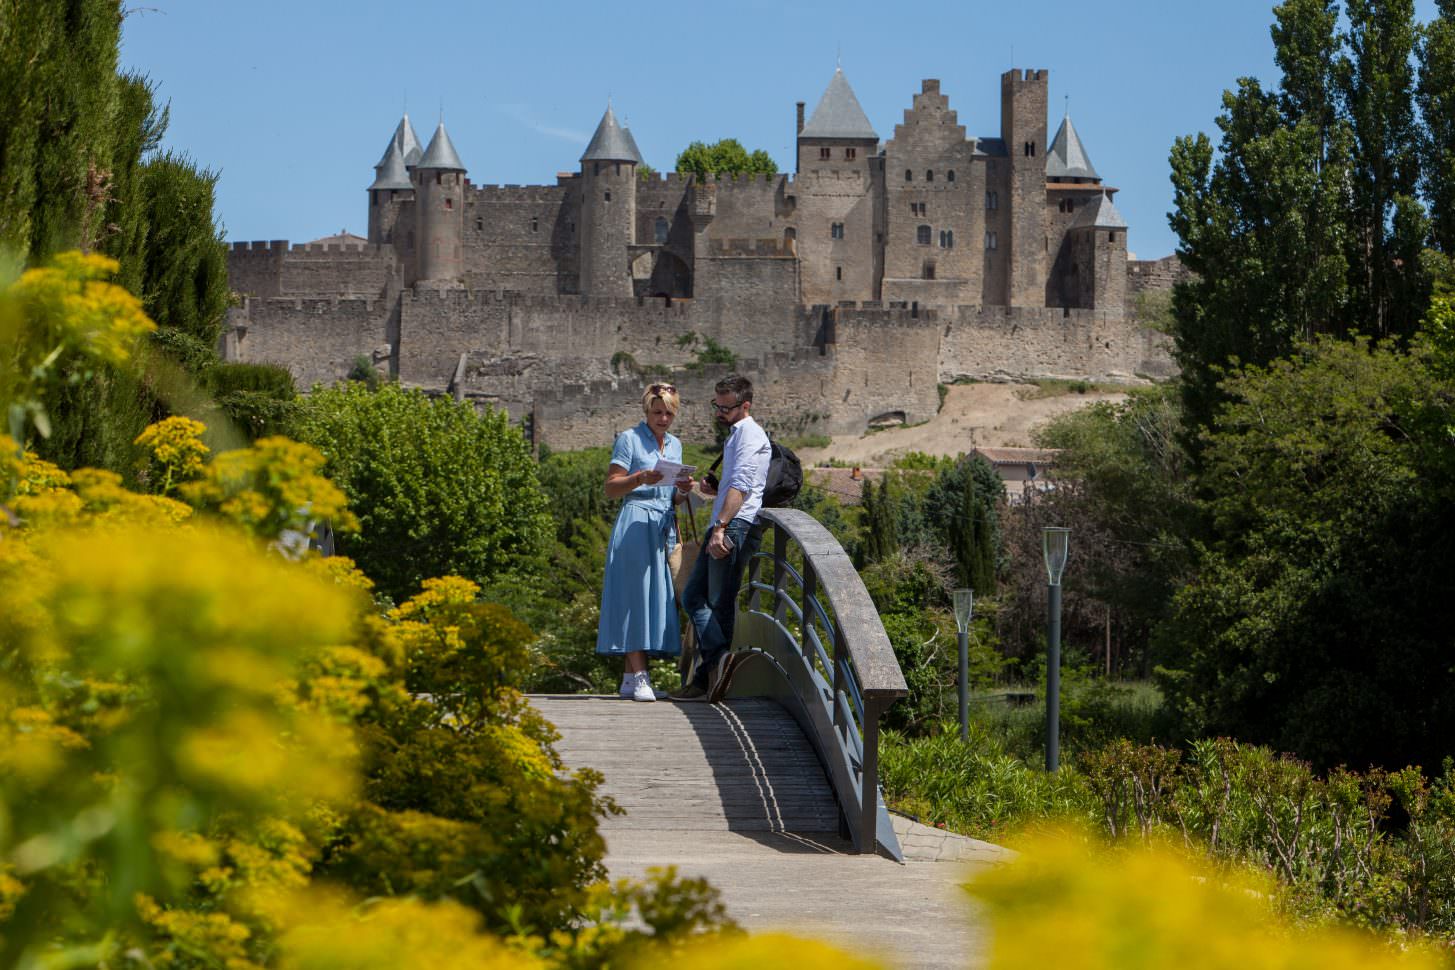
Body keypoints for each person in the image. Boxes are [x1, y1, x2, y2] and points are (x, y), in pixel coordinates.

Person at [670, 374, 770, 703]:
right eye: (717, 405)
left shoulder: (750, 435)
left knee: (714, 602)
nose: (718, 413)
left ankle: (712, 669)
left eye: (725, 408)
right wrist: (715, 492)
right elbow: (735, 485)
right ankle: (712, 670)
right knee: (699, 599)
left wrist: (721, 528)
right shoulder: (737, 434)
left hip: (732, 527)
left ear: (745, 405)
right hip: (725, 523)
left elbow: (742, 487)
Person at [597, 384, 694, 701]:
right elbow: (611, 488)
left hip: (662, 525)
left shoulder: (676, 445)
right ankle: (640, 677)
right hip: (636, 524)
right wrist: (639, 477)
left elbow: (673, 497)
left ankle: (629, 678)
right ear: (647, 411)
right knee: (634, 600)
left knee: (651, 600)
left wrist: (683, 489)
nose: (663, 418)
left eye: (668, 413)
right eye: (657, 412)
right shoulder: (628, 439)